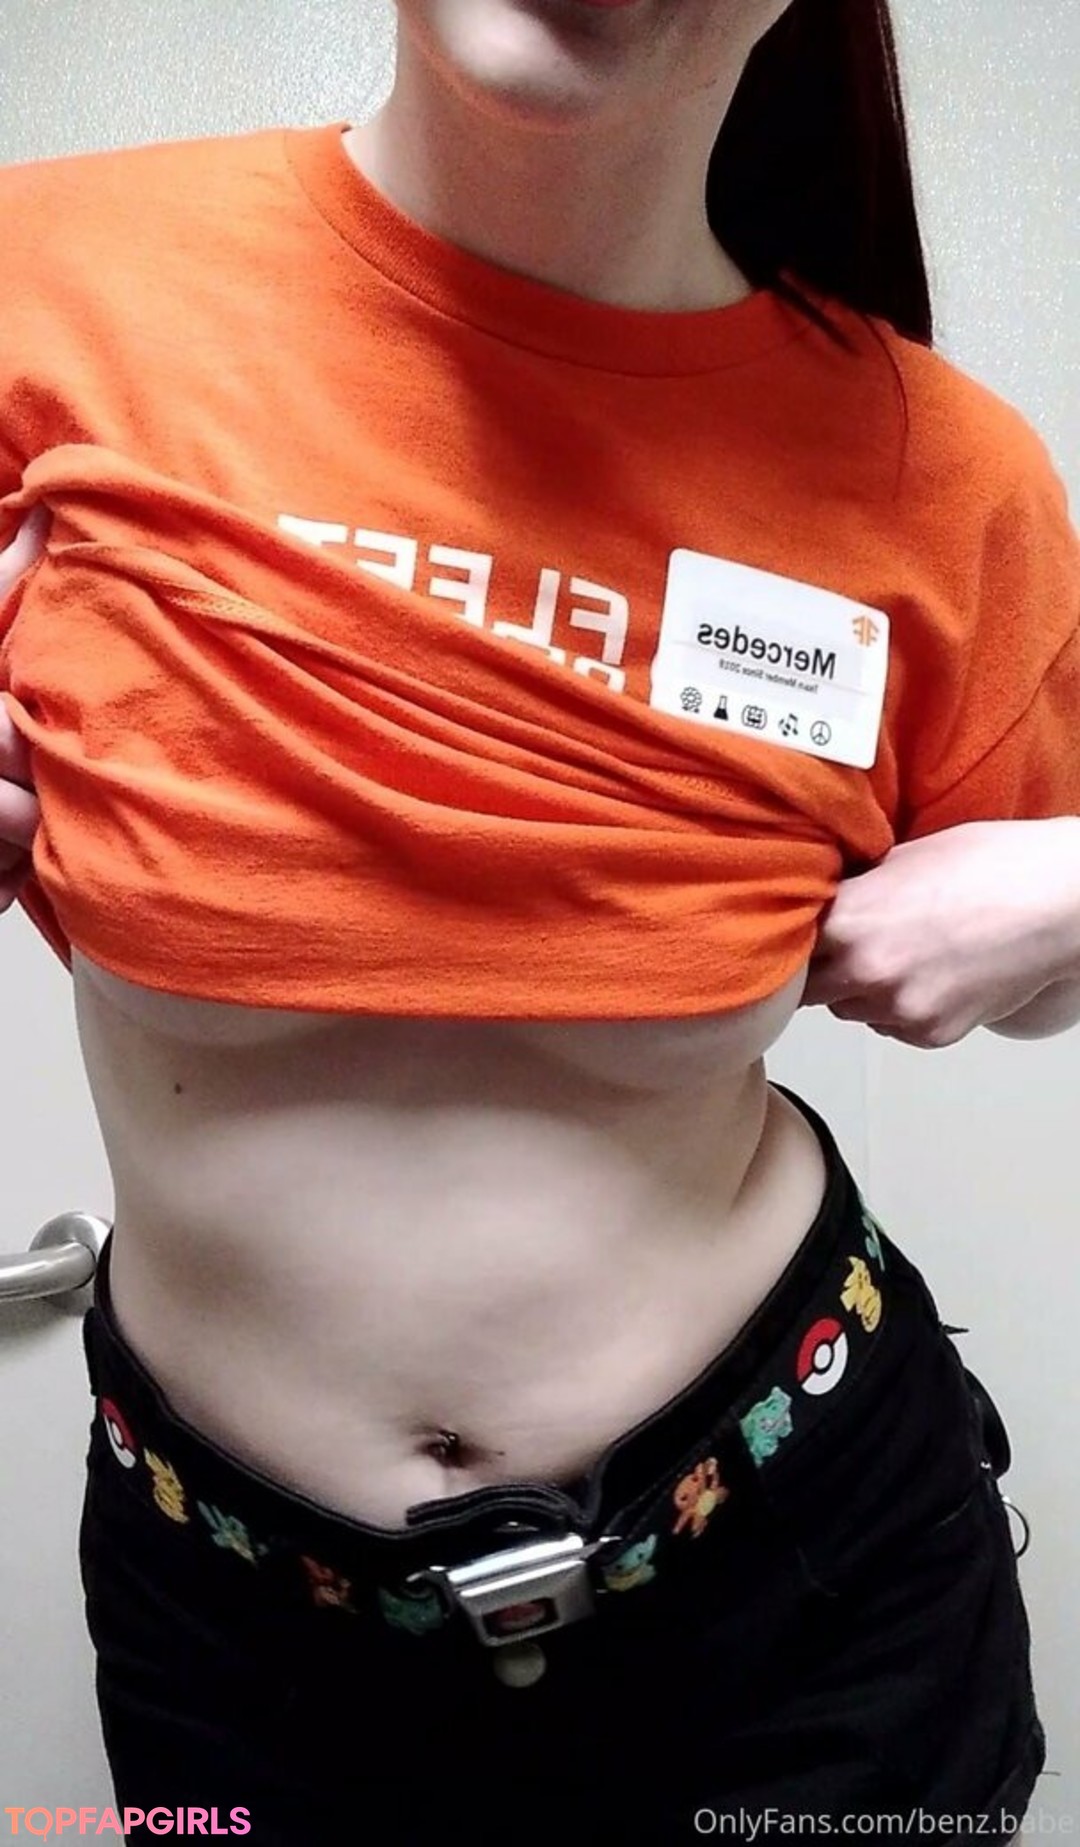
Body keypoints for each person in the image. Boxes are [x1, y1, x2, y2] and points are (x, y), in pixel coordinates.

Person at [0, 0, 1077, 1840]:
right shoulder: (48, 284)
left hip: (809, 1591)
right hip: (235, 1636)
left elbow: (1036, 980)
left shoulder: (942, 472)